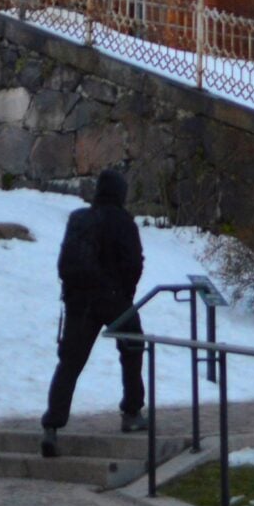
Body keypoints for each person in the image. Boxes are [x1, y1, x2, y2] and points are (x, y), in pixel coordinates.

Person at [40, 167, 147, 458]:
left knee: (70, 363)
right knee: (133, 345)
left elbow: (65, 262)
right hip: (113, 299)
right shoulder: (123, 222)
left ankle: (52, 425)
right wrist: (124, 294)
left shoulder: (79, 219)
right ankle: (132, 411)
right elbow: (134, 264)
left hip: (78, 302)